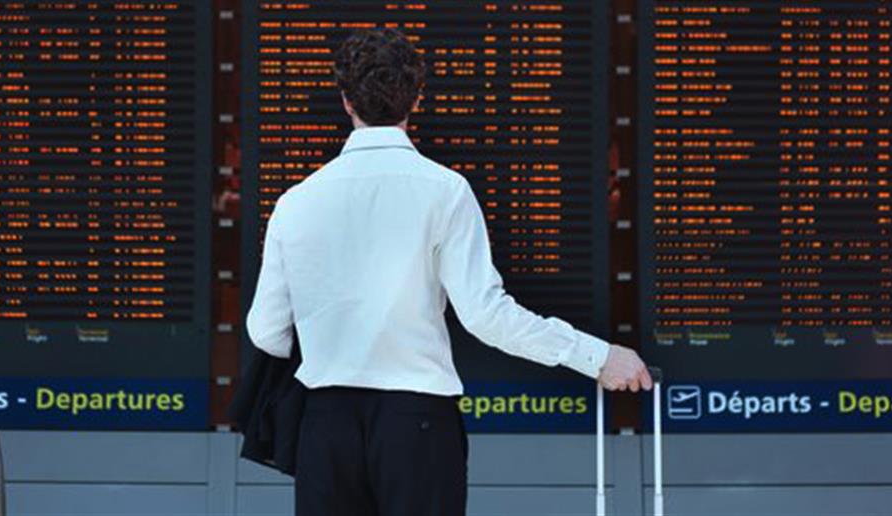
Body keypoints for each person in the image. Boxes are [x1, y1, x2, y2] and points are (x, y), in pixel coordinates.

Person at [246, 28, 653, 516]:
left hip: (326, 425)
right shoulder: (445, 191)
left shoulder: (295, 202)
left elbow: (266, 332)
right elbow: (486, 316)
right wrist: (596, 356)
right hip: (417, 422)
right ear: (416, 99)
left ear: (346, 101)